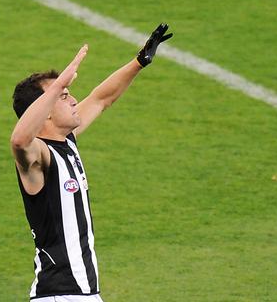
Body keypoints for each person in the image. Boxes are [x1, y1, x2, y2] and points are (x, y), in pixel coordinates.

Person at [11, 23, 173, 301]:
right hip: (59, 296)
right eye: (64, 95)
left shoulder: (66, 142)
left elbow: (101, 98)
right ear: (46, 112)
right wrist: (56, 87)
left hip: (83, 294)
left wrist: (139, 62)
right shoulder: (39, 157)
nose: (73, 100)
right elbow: (19, 140)